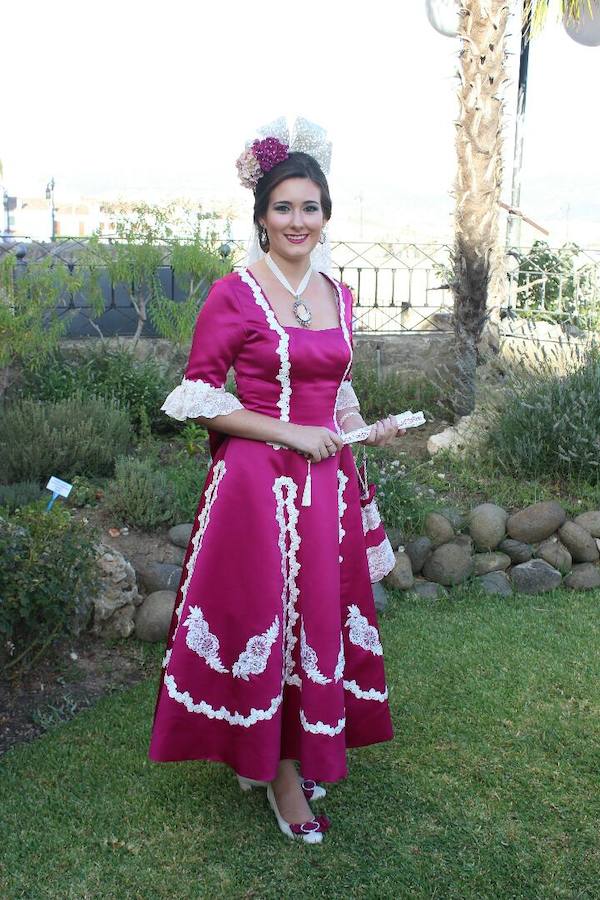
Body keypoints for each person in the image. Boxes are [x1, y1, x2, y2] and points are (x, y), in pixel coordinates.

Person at [148, 120, 404, 844]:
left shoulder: (340, 295)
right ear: (261, 215)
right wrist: (288, 431)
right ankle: (279, 775)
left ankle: (291, 754)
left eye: (311, 207)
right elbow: (198, 395)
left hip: (326, 491)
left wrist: (366, 428)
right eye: (284, 207)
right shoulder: (235, 294)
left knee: (316, 618)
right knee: (270, 620)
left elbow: (338, 392)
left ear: (327, 215)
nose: (298, 221)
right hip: (256, 491)